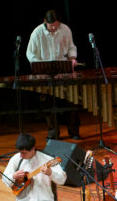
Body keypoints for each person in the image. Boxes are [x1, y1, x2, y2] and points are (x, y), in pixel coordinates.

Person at [26, 9, 81, 140]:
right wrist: (39, 65)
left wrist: (72, 58)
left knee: (72, 102)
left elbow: (71, 47)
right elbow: (30, 53)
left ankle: (74, 131)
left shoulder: (65, 29)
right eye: (51, 26)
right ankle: (53, 133)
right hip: (46, 74)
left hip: (64, 71)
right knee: (49, 105)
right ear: (45, 22)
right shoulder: (37, 33)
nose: (54, 28)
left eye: (56, 25)